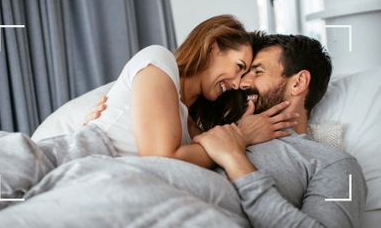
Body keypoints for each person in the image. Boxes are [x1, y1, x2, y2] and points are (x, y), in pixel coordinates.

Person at [193, 32, 367, 228]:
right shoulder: (222, 129)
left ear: (298, 82)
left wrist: (235, 159)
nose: (243, 83)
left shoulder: (336, 164)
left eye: (258, 72)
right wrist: (240, 134)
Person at [86, 15, 298, 168]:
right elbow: (161, 160)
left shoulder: (190, 125)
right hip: (84, 164)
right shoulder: (159, 60)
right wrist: (241, 136)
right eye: (239, 67)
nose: (236, 84)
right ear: (213, 48)